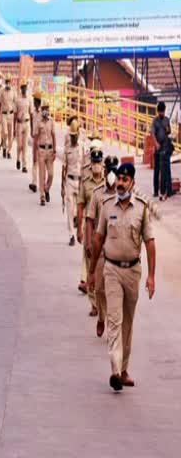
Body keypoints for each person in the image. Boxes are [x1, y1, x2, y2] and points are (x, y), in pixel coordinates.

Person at [88, 162, 156, 391]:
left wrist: (151, 277)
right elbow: (98, 239)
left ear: (132, 183)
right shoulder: (107, 207)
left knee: (128, 322)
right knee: (115, 320)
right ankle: (115, 370)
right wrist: (91, 272)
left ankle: (124, 369)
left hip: (133, 272)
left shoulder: (142, 208)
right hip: (112, 270)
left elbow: (150, 242)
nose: (120, 183)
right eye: (118, 179)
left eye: (125, 180)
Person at [85, 155, 119, 337]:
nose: (112, 174)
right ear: (105, 172)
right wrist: (90, 243)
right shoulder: (98, 193)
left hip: (116, 251)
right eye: (110, 170)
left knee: (114, 291)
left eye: (115, 170)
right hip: (100, 249)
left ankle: (112, 325)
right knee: (99, 289)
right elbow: (90, 219)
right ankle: (101, 317)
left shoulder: (123, 194)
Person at [77, 147, 104, 317]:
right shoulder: (86, 183)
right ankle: (94, 304)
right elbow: (80, 205)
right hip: (90, 229)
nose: (96, 165)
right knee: (90, 266)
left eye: (98, 163)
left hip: (104, 230)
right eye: (94, 163)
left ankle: (102, 301)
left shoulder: (108, 183)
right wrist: (80, 229)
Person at [62, 120, 85, 245]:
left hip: (80, 181)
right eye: (71, 135)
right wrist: (62, 186)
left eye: (75, 135)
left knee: (81, 210)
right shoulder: (67, 148)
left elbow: (85, 165)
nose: (73, 137)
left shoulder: (82, 146)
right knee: (70, 210)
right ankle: (71, 235)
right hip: (70, 180)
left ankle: (80, 231)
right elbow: (64, 167)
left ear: (78, 134)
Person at [34, 103, 56, 206]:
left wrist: (55, 150)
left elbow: (54, 135)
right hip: (41, 151)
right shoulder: (38, 122)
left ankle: (47, 189)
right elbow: (36, 138)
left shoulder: (51, 121)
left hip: (50, 150)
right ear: (42, 111)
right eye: (44, 109)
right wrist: (34, 153)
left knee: (51, 174)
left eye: (47, 109)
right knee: (42, 175)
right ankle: (42, 196)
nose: (46, 111)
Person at [151, 102, 173, 201]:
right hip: (158, 149)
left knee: (167, 169)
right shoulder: (155, 121)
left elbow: (169, 132)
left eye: (162, 112)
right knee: (157, 170)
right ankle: (156, 191)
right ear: (158, 111)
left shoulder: (167, 120)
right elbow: (152, 134)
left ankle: (169, 190)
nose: (161, 114)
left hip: (166, 148)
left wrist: (167, 129)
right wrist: (156, 144)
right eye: (160, 112)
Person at [13, 81, 32, 172]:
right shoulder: (17, 99)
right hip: (19, 123)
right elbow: (15, 114)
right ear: (21, 88)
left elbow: (31, 113)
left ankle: (24, 165)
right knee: (19, 145)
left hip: (27, 123)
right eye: (23, 87)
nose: (24, 89)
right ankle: (18, 158)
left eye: (25, 87)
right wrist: (13, 127)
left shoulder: (29, 99)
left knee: (25, 145)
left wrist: (32, 128)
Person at [0, 75, 16, 160]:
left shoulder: (13, 91)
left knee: (10, 135)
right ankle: (4, 146)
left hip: (11, 115)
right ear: (5, 82)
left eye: (9, 81)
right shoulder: (1, 91)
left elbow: (16, 103)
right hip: (4, 114)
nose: (8, 83)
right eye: (7, 81)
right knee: (5, 132)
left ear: (11, 82)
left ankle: (9, 151)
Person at [29, 91, 43, 192]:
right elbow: (31, 121)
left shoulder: (42, 114)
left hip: (42, 141)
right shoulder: (33, 113)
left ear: (37, 102)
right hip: (35, 139)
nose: (33, 103)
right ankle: (34, 182)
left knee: (41, 164)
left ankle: (42, 184)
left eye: (34, 101)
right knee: (34, 161)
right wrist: (31, 131)